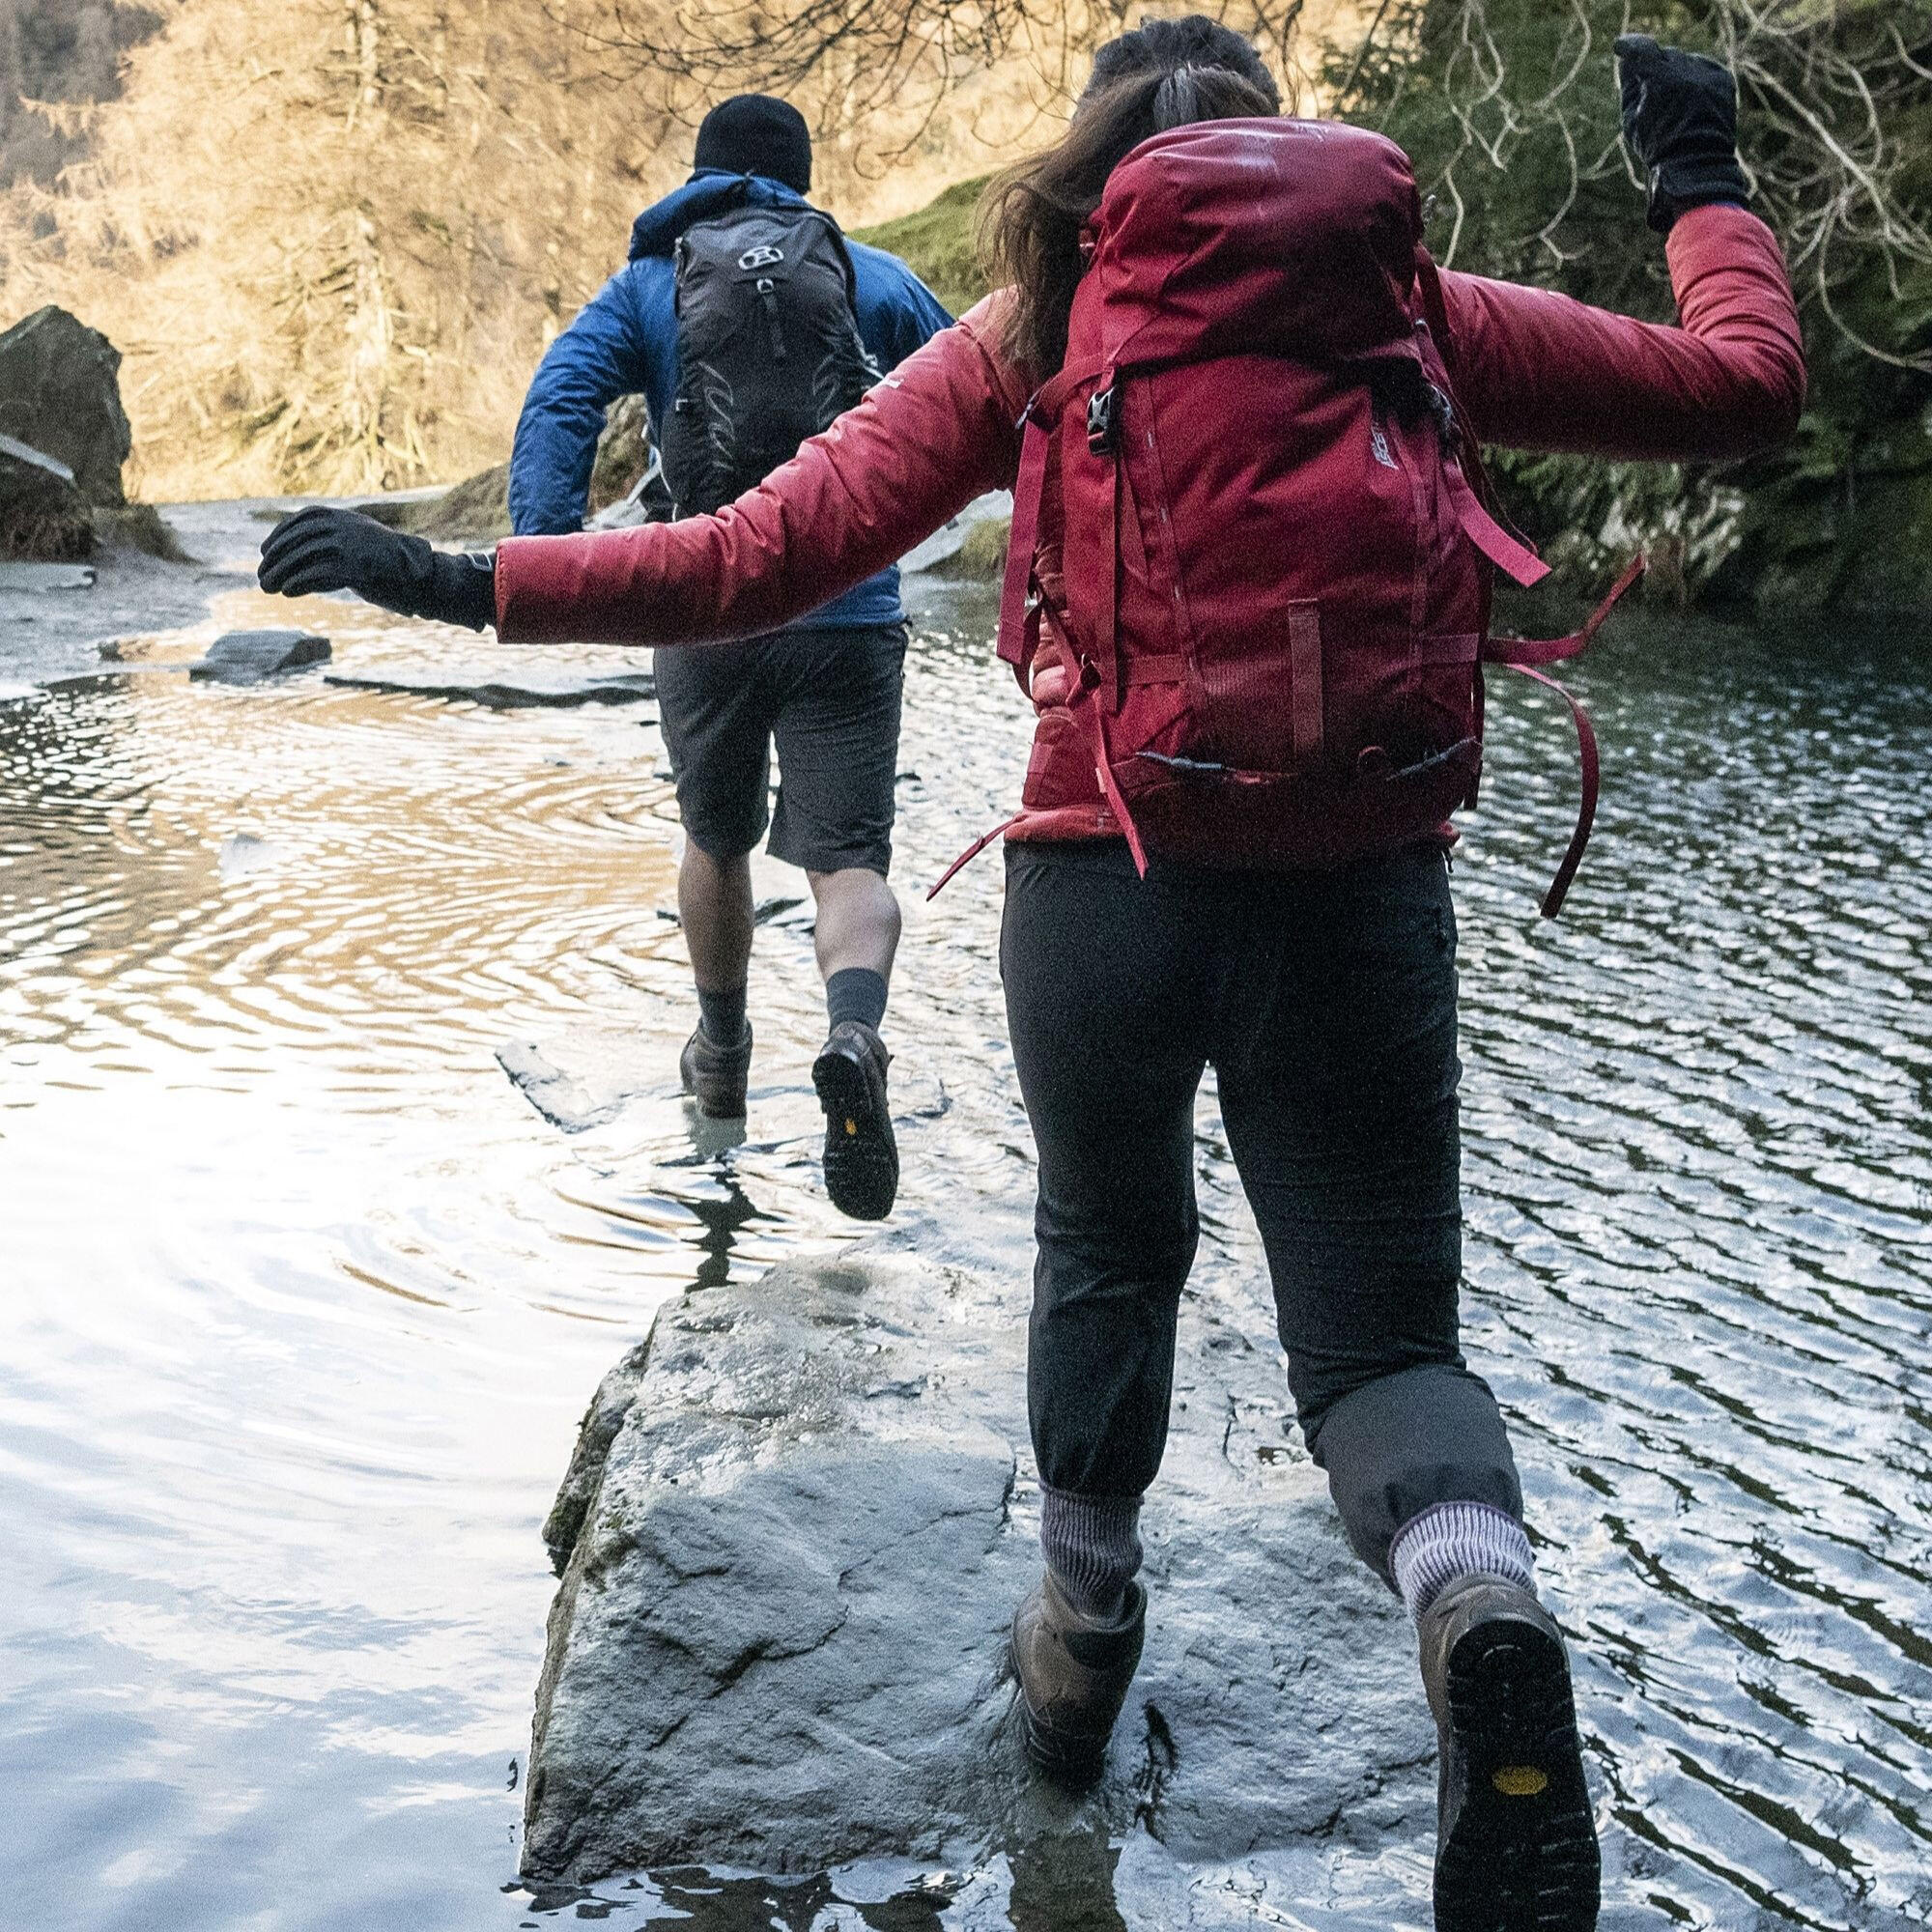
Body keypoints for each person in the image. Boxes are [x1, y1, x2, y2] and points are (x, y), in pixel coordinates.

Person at [259, 21, 1803, 1927]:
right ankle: (1474, 1601)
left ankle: (1074, 1653)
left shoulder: (1037, 325)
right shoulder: (1410, 302)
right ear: (1283, 143)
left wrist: (464, 580)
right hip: (1363, 890)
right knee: (1386, 1345)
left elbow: (757, 553)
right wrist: (1697, 177)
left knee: (1102, 1252)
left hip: (1104, 885)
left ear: (1091, 167)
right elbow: (1742, 386)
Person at [508, 93, 953, 1218]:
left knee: (715, 837)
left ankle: (720, 1052)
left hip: (702, 603)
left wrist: (551, 544)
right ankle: (853, 1032)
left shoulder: (653, 283)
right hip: (848, 608)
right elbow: (972, 379)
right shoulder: (859, 273)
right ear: (799, 179)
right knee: (847, 860)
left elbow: (561, 392)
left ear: (700, 176)